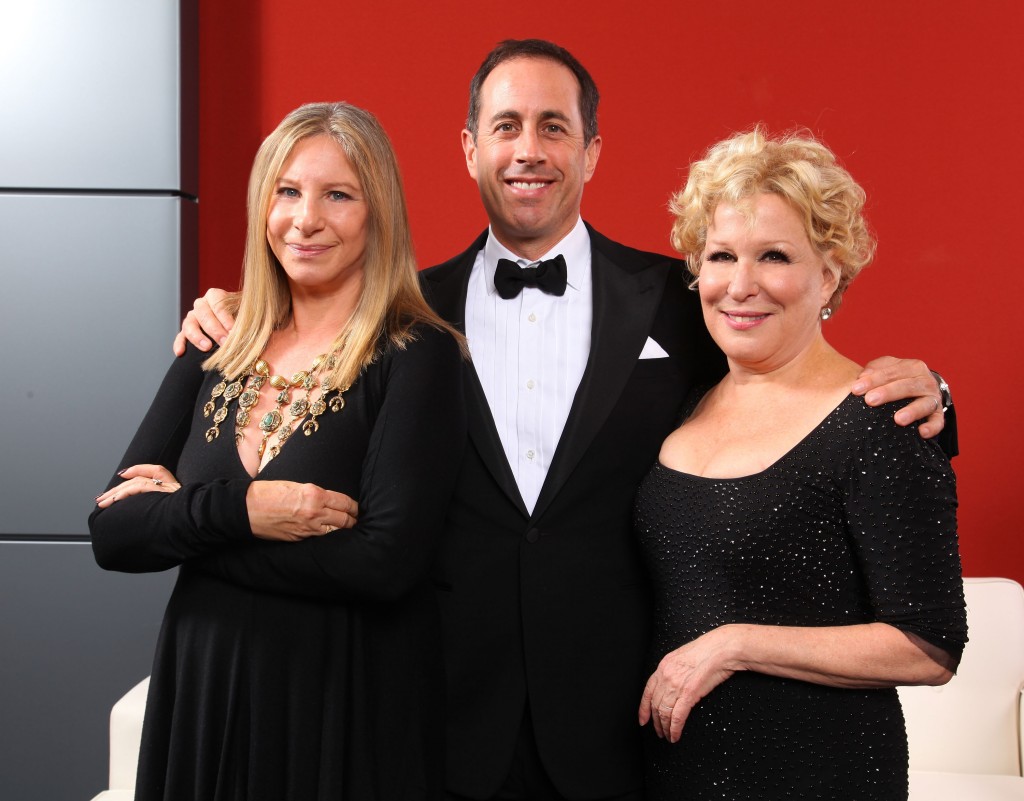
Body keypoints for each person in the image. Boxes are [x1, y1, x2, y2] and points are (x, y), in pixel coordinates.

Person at [174, 41, 955, 801]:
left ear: (591, 152)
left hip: (625, 726)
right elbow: (304, 380)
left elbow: (796, 396)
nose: (529, 150)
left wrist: (934, 397)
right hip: (436, 716)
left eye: (555, 126)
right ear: (470, 148)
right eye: (506, 126)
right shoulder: (396, 313)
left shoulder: (685, 298)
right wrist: (240, 313)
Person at [90, 102, 466, 801]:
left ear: (378, 210)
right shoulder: (219, 340)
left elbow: (384, 563)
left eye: (338, 195)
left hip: (341, 702)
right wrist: (245, 509)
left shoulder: (417, 353)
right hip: (202, 696)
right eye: (286, 190)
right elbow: (112, 531)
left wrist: (186, 522)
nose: (305, 218)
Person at [634, 128, 966, 800]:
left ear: (830, 273)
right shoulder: (683, 396)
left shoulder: (881, 419)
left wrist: (734, 643)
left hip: (818, 773)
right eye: (721, 255)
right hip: (671, 776)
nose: (741, 284)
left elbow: (929, 644)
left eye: (775, 256)